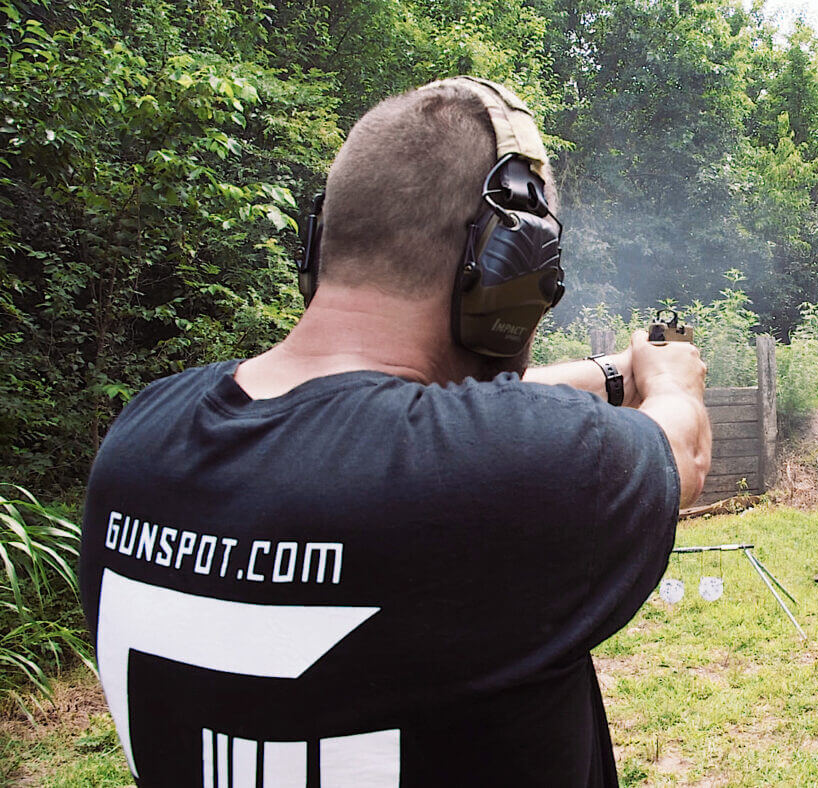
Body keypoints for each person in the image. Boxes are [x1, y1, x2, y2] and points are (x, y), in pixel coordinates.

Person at [79, 76, 710, 787]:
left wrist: (615, 373)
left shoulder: (141, 436)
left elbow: (392, 420)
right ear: (510, 270)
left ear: (322, 243)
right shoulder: (521, 472)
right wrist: (671, 377)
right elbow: (679, 450)